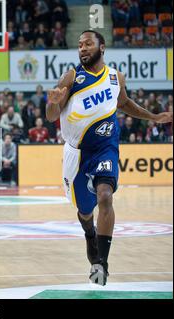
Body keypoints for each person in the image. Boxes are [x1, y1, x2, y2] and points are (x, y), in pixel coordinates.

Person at [46, 30, 172, 286]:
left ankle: (101, 263)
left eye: (88, 44)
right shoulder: (71, 76)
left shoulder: (116, 77)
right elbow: (51, 116)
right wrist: (53, 103)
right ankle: (89, 233)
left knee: (105, 195)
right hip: (77, 153)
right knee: (84, 211)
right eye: (80, 45)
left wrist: (153, 117)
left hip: (105, 147)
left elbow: (124, 104)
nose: (82, 48)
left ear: (102, 47)